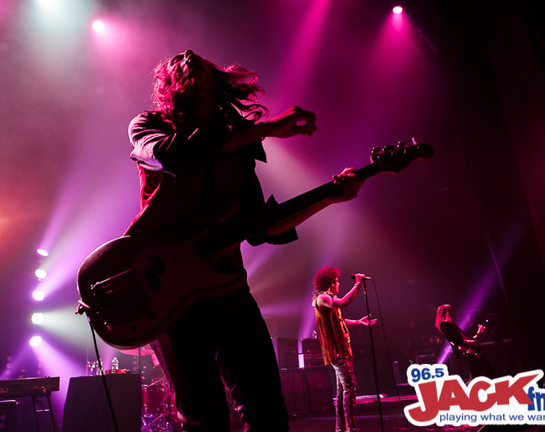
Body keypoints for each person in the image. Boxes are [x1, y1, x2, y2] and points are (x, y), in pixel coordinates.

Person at [126, 50, 365, 431]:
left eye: (198, 59)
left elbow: (262, 228)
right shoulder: (148, 126)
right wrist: (265, 130)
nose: (188, 55)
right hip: (170, 297)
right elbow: (178, 157)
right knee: (206, 419)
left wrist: (332, 196)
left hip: (227, 290)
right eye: (181, 62)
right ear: (171, 86)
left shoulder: (239, 150)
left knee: (268, 412)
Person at [311, 267, 376, 432]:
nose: (339, 284)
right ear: (331, 283)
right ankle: (351, 428)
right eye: (337, 281)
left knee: (343, 389)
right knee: (350, 386)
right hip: (337, 350)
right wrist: (357, 285)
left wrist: (358, 322)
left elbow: (340, 320)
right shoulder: (322, 298)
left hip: (342, 348)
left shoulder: (328, 298)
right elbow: (343, 302)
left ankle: (341, 428)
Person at [434, 304, 495, 379]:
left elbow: (465, 340)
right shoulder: (445, 325)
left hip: (468, 351)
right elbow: (457, 341)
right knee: (486, 371)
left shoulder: (451, 325)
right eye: (450, 312)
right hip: (466, 352)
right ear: (445, 313)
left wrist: (479, 333)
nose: (453, 314)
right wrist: (473, 344)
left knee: (477, 375)